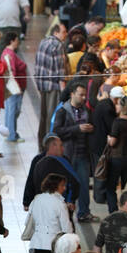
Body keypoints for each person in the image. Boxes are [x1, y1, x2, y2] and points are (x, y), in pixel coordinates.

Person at [51, 82, 95, 221]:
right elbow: (57, 131)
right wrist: (78, 129)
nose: (83, 98)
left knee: (83, 184)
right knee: (65, 185)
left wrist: (90, 129)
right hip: (69, 155)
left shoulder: (86, 111)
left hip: (83, 154)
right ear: (72, 94)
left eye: (84, 95)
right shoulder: (62, 111)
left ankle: (84, 212)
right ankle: (63, 213)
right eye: (80, 95)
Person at [103, 96, 127, 209]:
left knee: (111, 187)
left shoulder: (118, 122)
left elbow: (112, 142)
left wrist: (108, 138)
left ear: (122, 107)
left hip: (116, 158)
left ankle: (114, 211)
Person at [34, 21, 67, 134]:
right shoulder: (58, 45)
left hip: (42, 83)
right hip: (53, 85)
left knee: (43, 115)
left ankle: (42, 141)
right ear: (56, 32)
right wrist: (63, 90)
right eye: (63, 32)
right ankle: (50, 141)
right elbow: (60, 69)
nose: (65, 34)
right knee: (52, 115)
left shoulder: (43, 42)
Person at [0, 31, 27, 142]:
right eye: (17, 40)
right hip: (14, 88)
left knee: (10, 111)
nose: (18, 42)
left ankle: (10, 132)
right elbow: (12, 73)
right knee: (13, 111)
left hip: (12, 87)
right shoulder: (10, 54)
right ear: (12, 41)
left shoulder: (7, 53)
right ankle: (12, 134)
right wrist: (17, 88)